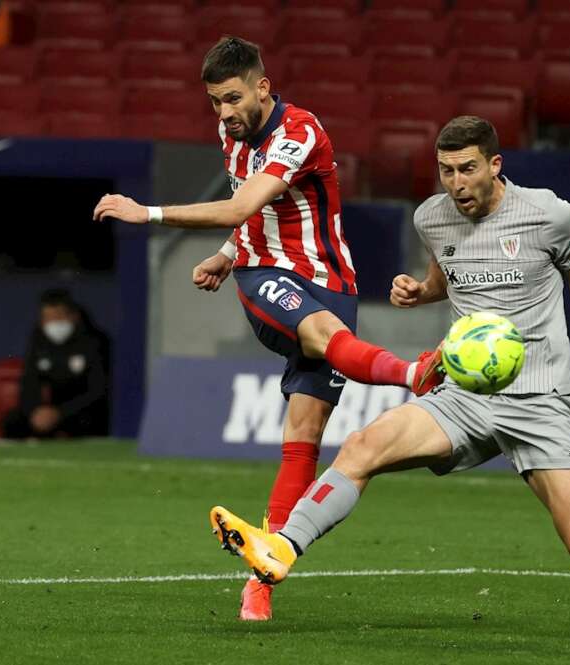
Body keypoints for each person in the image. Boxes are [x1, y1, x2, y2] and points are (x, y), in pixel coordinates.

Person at [208, 116, 570, 641]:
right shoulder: (432, 218)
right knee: (363, 445)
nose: (457, 183)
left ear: (494, 165)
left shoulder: (552, 215)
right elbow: (450, 271)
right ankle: (281, 550)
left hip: (539, 400)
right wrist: (423, 290)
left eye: (467, 169)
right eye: (446, 171)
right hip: (464, 394)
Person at [93, 37, 443, 621]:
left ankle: (264, 576)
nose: (224, 113)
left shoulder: (299, 132)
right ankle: (412, 372)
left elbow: (238, 207)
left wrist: (147, 212)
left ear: (262, 86)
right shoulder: (233, 137)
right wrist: (233, 255)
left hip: (331, 281)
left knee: (303, 433)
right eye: (213, 103)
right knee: (317, 331)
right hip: (264, 281)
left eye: (231, 98)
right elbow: (246, 212)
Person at [2, 289, 109, 439]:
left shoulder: (95, 342)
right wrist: (35, 411)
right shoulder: (38, 339)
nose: (53, 323)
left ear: (73, 316)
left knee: (85, 423)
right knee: (13, 421)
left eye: (58, 316)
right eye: (47, 318)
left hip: (82, 411)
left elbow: (97, 390)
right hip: (49, 409)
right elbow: (29, 382)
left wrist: (60, 413)